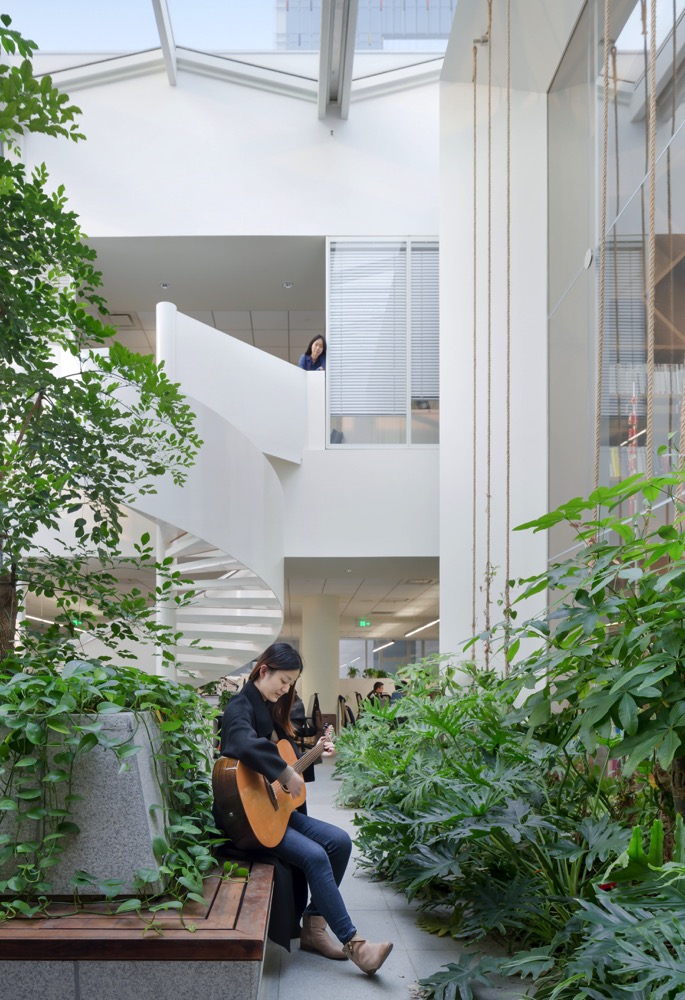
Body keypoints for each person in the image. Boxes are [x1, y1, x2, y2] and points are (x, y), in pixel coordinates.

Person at [217, 642, 393, 976]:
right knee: (315, 855)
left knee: (340, 842)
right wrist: (284, 773)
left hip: (274, 811)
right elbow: (240, 742)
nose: (285, 690)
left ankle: (313, 927)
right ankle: (355, 944)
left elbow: (285, 759)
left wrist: (314, 754)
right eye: (283, 681)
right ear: (263, 670)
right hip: (248, 821)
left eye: (291, 684)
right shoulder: (240, 706)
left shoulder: (270, 707)